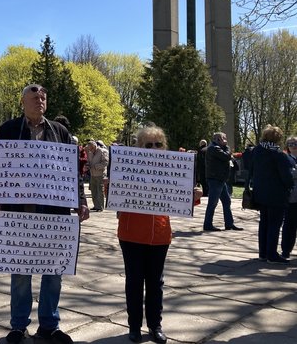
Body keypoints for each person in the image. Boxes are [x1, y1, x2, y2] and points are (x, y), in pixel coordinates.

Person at [0, 84, 90, 344]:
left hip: (54, 214)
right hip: (18, 214)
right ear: (22, 102)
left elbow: (71, 172)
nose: (39, 100)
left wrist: (82, 200)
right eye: (34, 97)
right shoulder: (8, 130)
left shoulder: (60, 132)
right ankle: (19, 326)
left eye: (43, 97)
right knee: (20, 274)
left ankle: (49, 325)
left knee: (53, 273)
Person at [118, 126, 203, 344]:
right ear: (138, 147)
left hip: (160, 234)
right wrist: (112, 186)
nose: (154, 148)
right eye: (148, 144)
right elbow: (117, 199)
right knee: (134, 282)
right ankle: (134, 326)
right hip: (132, 233)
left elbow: (182, 201)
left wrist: (194, 195)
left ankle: (155, 325)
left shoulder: (174, 168)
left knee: (156, 283)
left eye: (158, 144)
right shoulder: (127, 167)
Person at [249, 125, 294, 264]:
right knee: (275, 224)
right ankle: (272, 255)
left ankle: (263, 253)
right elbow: (286, 176)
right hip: (276, 194)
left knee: (264, 223)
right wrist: (289, 186)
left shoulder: (257, 151)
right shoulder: (278, 154)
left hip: (260, 193)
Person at [203, 132, 243, 232]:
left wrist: (227, 147)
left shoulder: (219, 148)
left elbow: (227, 154)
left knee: (227, 201)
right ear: (218, 139)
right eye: (224, 138)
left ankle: (229, 224)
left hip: (220, 179)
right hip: (215, 179)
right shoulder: (213, 148)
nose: (226, 140)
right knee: (212, 203)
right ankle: (207, 224)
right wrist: (228, 148)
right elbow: (226, 156)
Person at [281, 136, 297, 259]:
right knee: (289, 225)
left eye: (295, 143)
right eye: (291, 144)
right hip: (291, 197)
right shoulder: (285, 158)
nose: (293, 145)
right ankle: (286, 250)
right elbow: (286, 175)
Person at [85, 139, 108, 212]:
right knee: (93, 190)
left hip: (100, 174)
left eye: (91, 148)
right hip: (92, 174)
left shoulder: (102, 151)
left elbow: (105, 163)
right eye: (89, 148)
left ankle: (100, 206)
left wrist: (96, 166)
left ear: (95, 146)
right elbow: (89, 161)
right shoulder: (90, 152)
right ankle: (96, 206)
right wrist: (88, 165)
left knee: (100, 191)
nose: (90, 150)